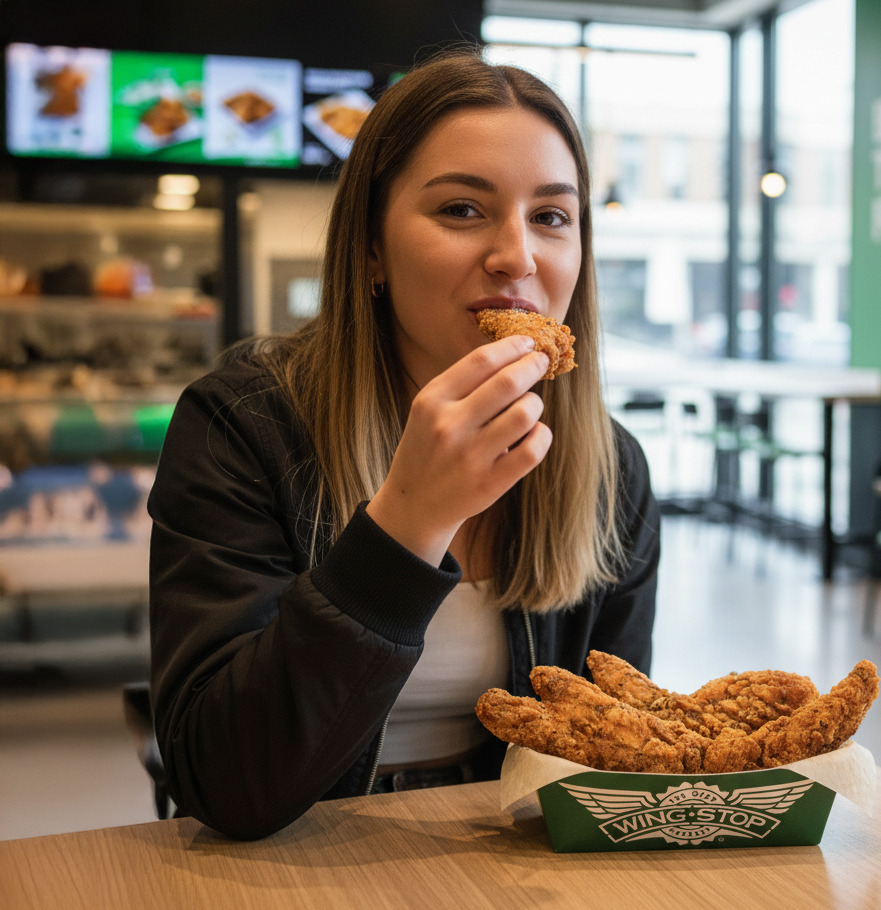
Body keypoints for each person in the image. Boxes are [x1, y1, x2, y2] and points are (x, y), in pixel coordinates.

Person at [147, 51, 660, 841]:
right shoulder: (242, 425)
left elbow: (613, 751)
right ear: (372, 249)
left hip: (510, 864)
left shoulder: (609, 471)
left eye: (552, 217)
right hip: (283, 863)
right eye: (462, 209)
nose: (518, 256)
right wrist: (408, 523)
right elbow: (224, 781)